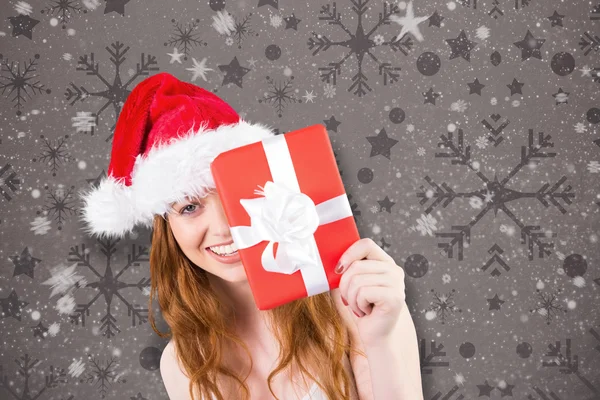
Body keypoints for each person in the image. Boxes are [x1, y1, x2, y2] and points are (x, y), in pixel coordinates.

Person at [78, 72, 424, 400]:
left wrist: (381, 341)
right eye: (189, 208)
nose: (224, 227)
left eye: (231, 195)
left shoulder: (353, 300)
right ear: (168, 230)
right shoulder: (184, 362)